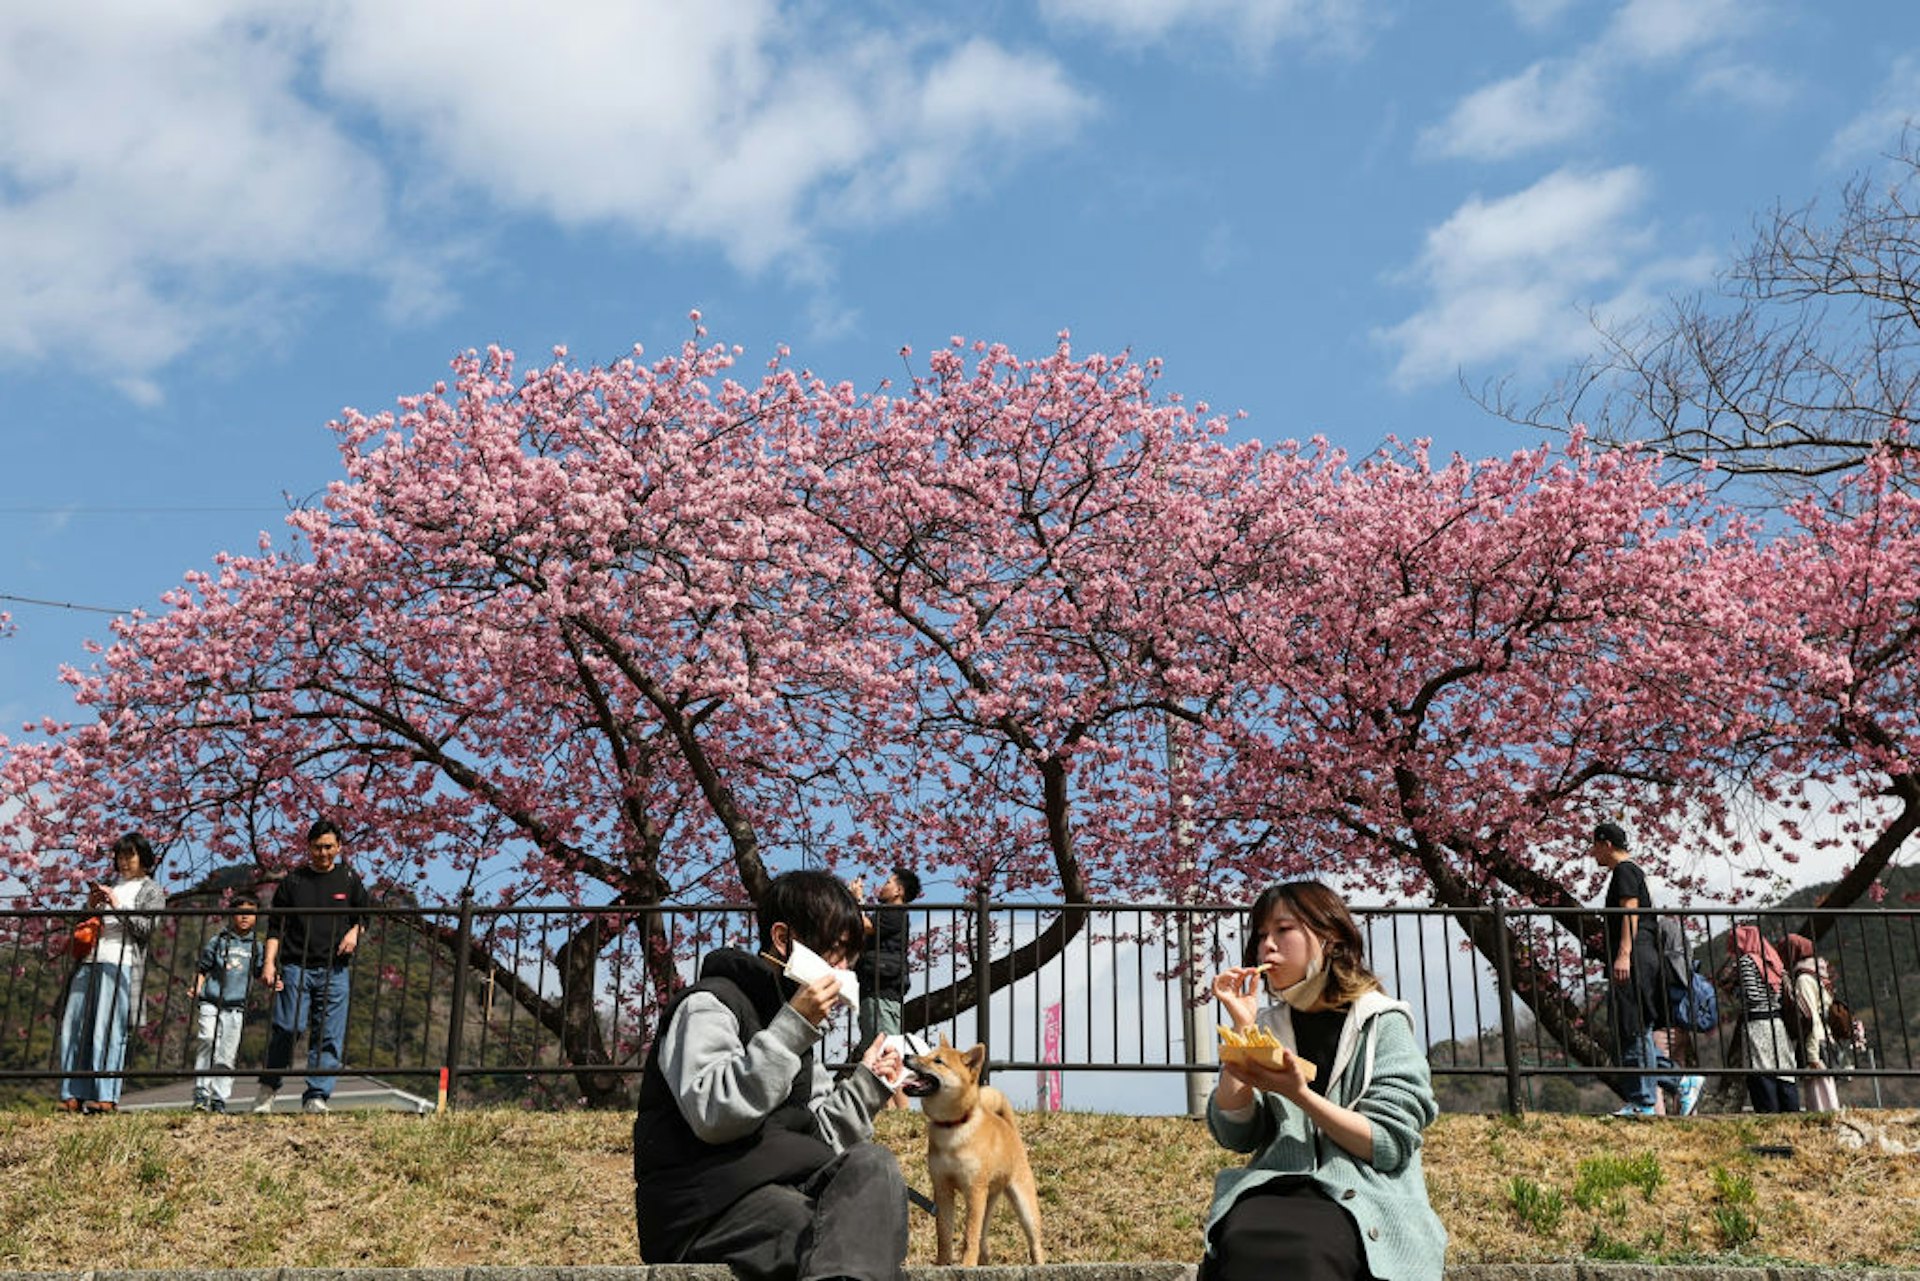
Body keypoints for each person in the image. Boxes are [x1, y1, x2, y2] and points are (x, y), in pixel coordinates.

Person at [632, 869, 908, 1281]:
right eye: (834, 951)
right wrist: (792, 1027)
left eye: (849, 957)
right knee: (831, 1238)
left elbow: (819, 1140)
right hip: (706, 1205)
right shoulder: (708, 1005)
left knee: (874, 1163)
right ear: (783, 940)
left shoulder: (795, 1029)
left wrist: (867, 1085)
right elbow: (715, 1115)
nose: (843, 969)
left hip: (785, 1192)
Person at [1201, 881, 1446, 1281]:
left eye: (1284, 930)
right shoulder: (1267, 1026)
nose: (1267, 946)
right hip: (1275, 1186)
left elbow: (1388, 1144)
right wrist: (1243, 1030)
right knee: (1241, 1236)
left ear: (1329, 938)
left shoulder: (1383, 1022)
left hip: (1362, 1194)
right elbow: (1235, 1134)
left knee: (1311, 1249)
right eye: (1262, 935)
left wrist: (1298, 1094)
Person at [253, 818, 372, 1115]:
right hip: (296, 966)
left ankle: (316, 1095)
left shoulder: (348, 878)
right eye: (318, 847)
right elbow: (275, 928)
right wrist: (269, 963)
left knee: (328, 1034)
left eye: (329, 847)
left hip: (335, 969)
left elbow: (365, 914)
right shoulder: (294, 882)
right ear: (308, 848)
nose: (323, 853)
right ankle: (268, 1088)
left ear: (339, 847)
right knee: (287, 1027)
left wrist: (354, 932)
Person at [1591, 821, 1700, 1117]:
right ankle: (1680, 1081)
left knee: (1632, 1028)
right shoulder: (1631, 871)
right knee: (1635, 1029)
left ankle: (1644, 1101)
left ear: (1606, 844)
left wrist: (1623, 953)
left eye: (1595, 846)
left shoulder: (1625, 871)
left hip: (1635, 958)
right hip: (1642, 958)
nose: (1592, 853)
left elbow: (1631, 912)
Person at [57, 832, 167, 1115]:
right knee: (75, 1027)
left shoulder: (151, 890)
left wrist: (118, 906)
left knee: (107, 1031)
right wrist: (92, 907)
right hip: (89, 960)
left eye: (129, 855)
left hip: (121, 963)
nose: (124, 862)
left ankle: (105, 1096)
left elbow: (146, 928)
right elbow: (86, 922)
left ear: (143, 858)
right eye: (120, 856)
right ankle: (72, 1093)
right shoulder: (110, 885)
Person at [191, 894, 263, 1113]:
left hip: (236, 1005)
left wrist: (274, 979)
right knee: (207, 1039)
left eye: (250, 913)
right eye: (240, 912)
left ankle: (220, 1097)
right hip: (211, 999)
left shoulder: (256, 946)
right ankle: (201, 1094)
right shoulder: (218, 940)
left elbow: (261, 972)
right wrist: (197, 986)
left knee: (227, 1053)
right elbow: (203, 967)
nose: (244, 917)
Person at [1724, 925, 1800, 1113]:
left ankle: (1769, 1114)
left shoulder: (1747, 961)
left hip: (1757, 1024)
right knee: (1783, 1072)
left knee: (1761, 1071)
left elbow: (1751, 995)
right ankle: (1790, 1113)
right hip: (1777, 1023)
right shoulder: (1773, 961)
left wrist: (1734, 990)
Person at [851, 867, 922, 1051]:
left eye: (888, 882)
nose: (882, 887)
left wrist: (857, 899)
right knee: (874, 1047)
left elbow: (865, 925)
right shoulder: (887, 912)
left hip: (882, 993)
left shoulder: (895, 912)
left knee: (884, 1049)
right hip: (874, 992)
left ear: (899, 891)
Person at [1783, 933, 1841, 1112]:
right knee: (1827, 1093)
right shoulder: (1817, 975)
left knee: (1820, 1098)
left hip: (1816, 1041)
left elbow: (1811, 1018)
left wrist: (1812, 1054)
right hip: (1825, 1038)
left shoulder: (1804, 979)